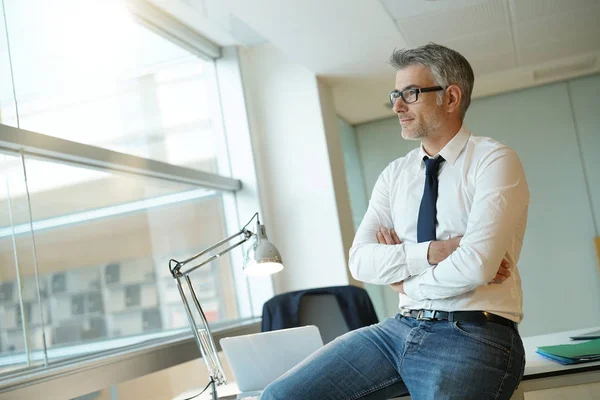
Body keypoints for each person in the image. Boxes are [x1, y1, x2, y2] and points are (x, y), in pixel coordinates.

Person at [261, 43, 529, 400]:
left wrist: (404, 284)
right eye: (395, 94)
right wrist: (432, 253)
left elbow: (477, 266)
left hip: (473, 332)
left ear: (450, 98)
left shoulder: (494, 161)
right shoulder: (395, 175)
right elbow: (360, 261)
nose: (397, 106)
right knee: (280, 397)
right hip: (397, 330)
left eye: (411, 94)